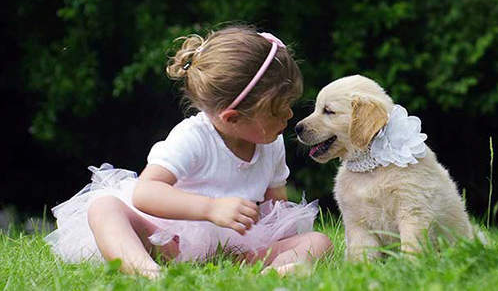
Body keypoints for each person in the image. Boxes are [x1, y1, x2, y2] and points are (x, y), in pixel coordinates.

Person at [45, 25, 333, 278]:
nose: (290, 115)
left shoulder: (271, 142)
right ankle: (147, 273)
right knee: (104, 207)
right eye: (277, 111)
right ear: (232, 117)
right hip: (169, 240)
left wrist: (280, 237)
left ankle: (274, 273)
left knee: (319, 241)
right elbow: (145, 192)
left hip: (236, 248)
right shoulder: (193, 138)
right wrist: (210, 208)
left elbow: (275, 204)